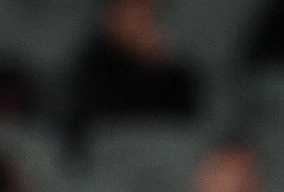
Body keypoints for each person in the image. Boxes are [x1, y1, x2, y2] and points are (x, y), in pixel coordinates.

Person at [63, 0, 203, 145]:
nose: (149, 26)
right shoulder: (90, 72)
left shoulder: (175, 77)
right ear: (112, 17)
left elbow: (185, 120)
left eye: (154, 16)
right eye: (138, 15)